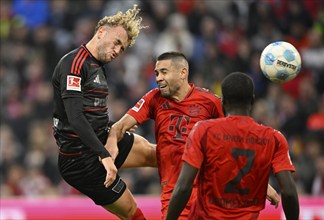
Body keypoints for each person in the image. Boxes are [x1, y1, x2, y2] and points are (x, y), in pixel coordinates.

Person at [107, 52, 280, 220]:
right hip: (174, 193)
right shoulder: (153, 98)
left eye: (164, 72)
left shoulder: (210, 102)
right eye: (157, 73)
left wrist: (261, 182)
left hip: (208, 194)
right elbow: (118, 127)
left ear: (183, 73)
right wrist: (112, 144)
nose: (158, 78)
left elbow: (238, 138)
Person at [52, 5, 157, 220]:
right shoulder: (74, 63)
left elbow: (94, 115)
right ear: (101, 32)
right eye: (117, 42)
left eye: (123, 48)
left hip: (100, 142)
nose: (118, 50)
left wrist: (111, 135)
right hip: (80, 160)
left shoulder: (98, 66)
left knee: (154, 153)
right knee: (131, 211)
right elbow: (76, 118)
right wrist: (105, 155)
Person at [166, 72, 299, 220]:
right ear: (252, 101)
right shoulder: (274, 138)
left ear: (223, 102)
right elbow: (289, 192)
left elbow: (184, 187)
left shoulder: (203, 131)